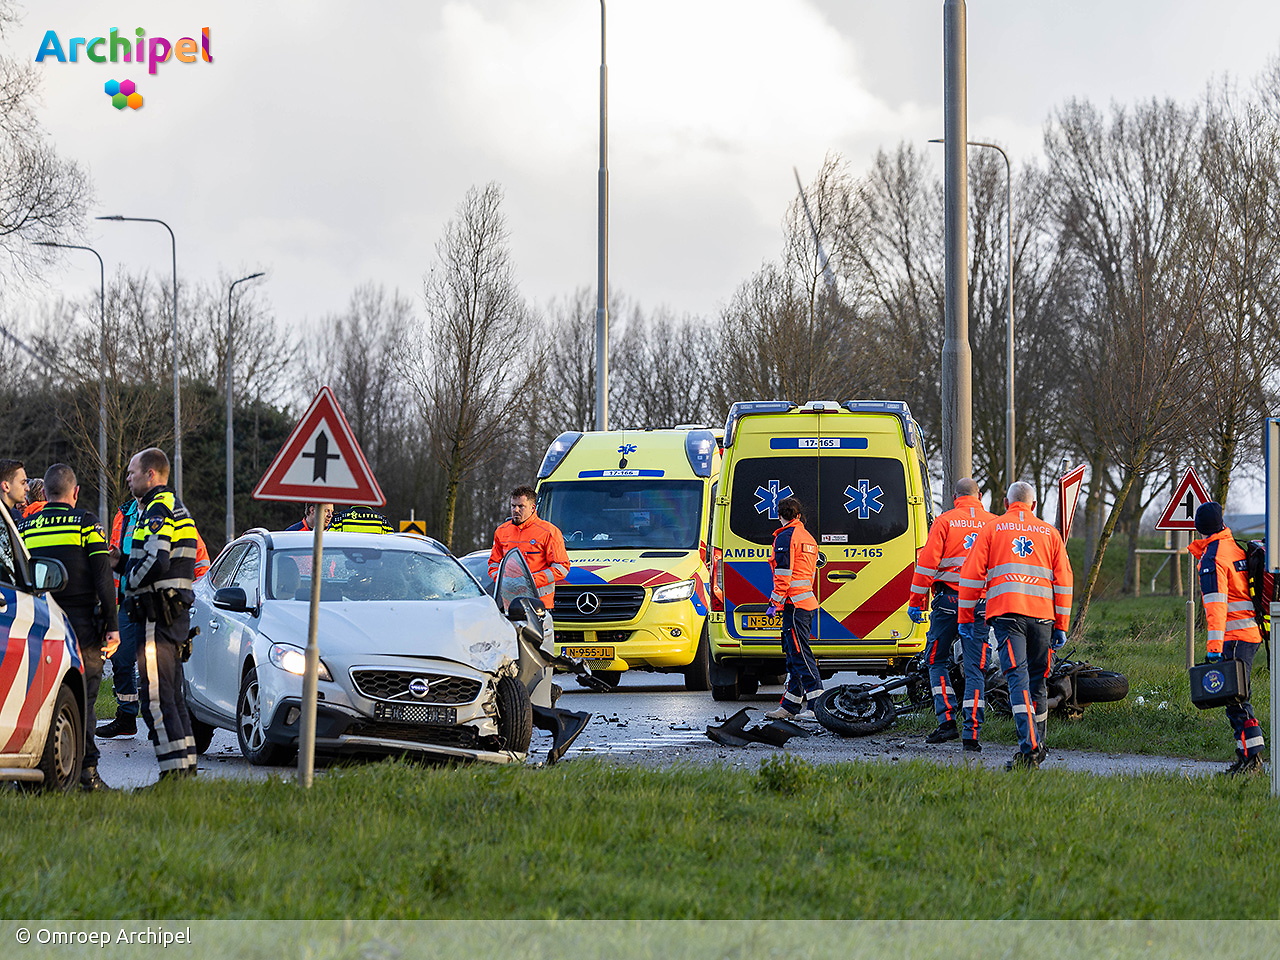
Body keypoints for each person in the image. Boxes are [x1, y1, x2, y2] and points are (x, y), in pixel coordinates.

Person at [18, 464, 120, 791]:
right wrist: (112, 625)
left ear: (44, 492)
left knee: (37, 696)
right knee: (84, 699)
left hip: (38, 621)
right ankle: (87, 773)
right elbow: (104, 577)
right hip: (81, 625)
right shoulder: (86, 523)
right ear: (74, 493)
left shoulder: (25, 525)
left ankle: (32, 770)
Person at [958, 481, 1073, 771]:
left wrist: (965, 617)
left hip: (1008, 616)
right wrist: (1062, 624)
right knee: (1037, 682)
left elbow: (971, 577)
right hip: (1043, 618)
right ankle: (1039, 744)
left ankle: (1030, 749)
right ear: (1033, 505)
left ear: (1007, 502)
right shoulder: (1051, 533)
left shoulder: (993, 529)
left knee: (1017, 681)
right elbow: (1064, 581)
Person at [111, 447, 198, 782]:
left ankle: (173, 776)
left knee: (156, 698)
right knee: (172, 696)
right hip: (172, 614)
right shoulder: (175, 507)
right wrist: (120, 561)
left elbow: (157, 560)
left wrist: (128, 581)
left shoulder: (157, 507)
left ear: (150, 475)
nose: (128, 477)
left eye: (132, 472)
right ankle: (185, 767)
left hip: (157, 615)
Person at [909, 478, 996, 751]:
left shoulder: (945, 521)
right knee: (975, 668)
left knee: (936, 661)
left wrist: (916, 601)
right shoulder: (994, 524)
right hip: (981, 604)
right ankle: (972, 733)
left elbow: (927, 565)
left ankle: (946, 721)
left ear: (954, 496)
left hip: (948, 601)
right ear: (979, 495)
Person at [1189, 501, 1267, 776]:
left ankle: (1252, 760)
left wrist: (1213, 647)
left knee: (1236, 701)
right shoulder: (1234, 547)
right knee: (1237, 698)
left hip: (1233, 636)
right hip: (1250, 633)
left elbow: (1216, 605)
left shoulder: (1213, 557)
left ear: (1200, 528)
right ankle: (1247, 757)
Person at [764, 496, 823, 721]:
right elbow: (810, 574)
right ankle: (789, 705)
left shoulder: (786, 537)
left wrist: (774, 602)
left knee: (799, 654)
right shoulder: (807, 537)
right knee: (793, 656)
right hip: (804, 602)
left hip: (794, 604)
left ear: (779, 516)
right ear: (799, 515)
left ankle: (817, 705)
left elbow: (783, 574)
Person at [487, 485, 570, 609]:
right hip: (509, 603)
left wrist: (530, 581)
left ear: (533, 508)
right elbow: (493, 564)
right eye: (513, 506)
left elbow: (561, 567)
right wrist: (503, 581)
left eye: (521, 506)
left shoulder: (549, 532)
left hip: (540, 603)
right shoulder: (501, 531)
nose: (516, 510)